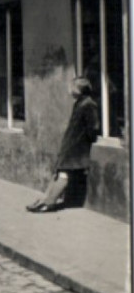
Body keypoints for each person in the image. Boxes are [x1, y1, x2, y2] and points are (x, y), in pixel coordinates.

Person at [26, 76, 99, 213]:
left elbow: (92, 128)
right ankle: (44, 200)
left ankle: (49, 203)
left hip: (77, 148)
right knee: (58, 173)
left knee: (64, 175)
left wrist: (90, 138)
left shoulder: (89, 105)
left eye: (72, 87)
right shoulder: (80, 103)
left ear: (79, 89)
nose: (69, 90)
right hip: (71, 146)